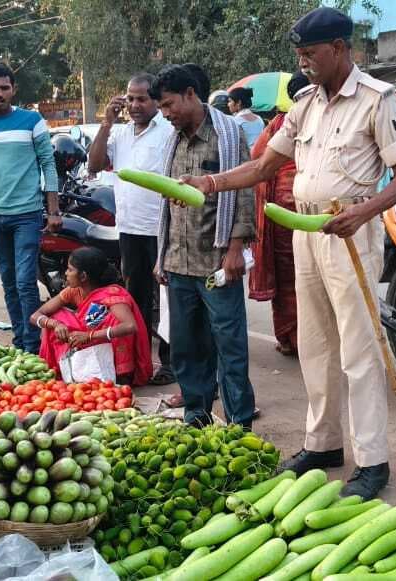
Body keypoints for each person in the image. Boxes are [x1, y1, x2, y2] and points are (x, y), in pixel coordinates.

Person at [180, 7, 396, 499]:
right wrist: (211, 182)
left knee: (358, 351)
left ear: (339, 48)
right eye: (299, 56)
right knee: (315, 345)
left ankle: (372, 461)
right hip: (304, 232)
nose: (304, 64)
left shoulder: (377, 99)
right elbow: (265, 165)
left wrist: (363, 212)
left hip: (350, 230)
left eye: (310, 55)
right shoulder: (305, 103)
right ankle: (323, 443)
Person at [154, 63, 257, 430]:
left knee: (229, 348)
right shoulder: (174, 139)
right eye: (162, 108)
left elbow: (244, 194)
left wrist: (235, 249)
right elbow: (166, 201)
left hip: (216, 263)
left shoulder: (228, 135)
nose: (166, 115)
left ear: (190, 95)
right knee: (186, 347)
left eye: (169, 105)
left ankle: (239, 424)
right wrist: (161, 255)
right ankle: (196, 417)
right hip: (179, 263)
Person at [86, 72, 177, 385]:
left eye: (142, 98)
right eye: (130, 98)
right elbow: (94, 165)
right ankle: (137, 362)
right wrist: (106, 123)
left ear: (155, 100)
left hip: (161, 227)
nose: (135, 105)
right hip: (129, 228)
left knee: (166, 299)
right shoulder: (120, 133)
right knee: (134, 298)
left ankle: (170, 362)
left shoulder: (167, 131)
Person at [0, 64, 60, 354]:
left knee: (25, 283)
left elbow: (48, 165)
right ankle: (20, 340)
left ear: (13, 90)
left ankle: (32, 346)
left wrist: (53, 210)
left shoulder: (32, 121)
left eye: (4, 88)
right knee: (8, 282)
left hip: (27, 215)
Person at [249, 71, 311, 357]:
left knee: (289, 280)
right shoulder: (324, 116)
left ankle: (290, 339)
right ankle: (309, 341)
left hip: (283, 211)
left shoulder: (281, 122)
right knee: (309, 280)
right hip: (314, 208)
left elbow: (257, 157)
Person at [31, 247, 153, 386]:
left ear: (83, 276)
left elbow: (129, 325)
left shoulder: (112, 294)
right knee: (57, 316)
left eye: (70, 270)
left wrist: (89, 336)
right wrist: (55, 324)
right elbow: (36, 315)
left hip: (101, 345)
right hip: (83, 345)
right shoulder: (72, 291)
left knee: (114, 320)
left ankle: (121, 374)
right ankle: (69, 370)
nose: (66, 273)